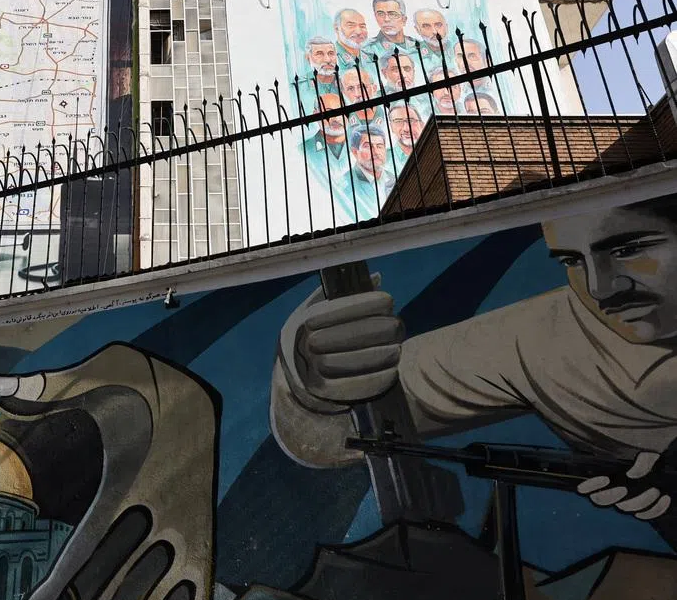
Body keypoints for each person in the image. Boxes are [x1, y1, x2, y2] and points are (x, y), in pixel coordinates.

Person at [270, 195, 677, 522]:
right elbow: (337, 429)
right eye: (572, 260)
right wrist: (307, 378)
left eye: (628, 249)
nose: (601, 288)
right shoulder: (541, 341)